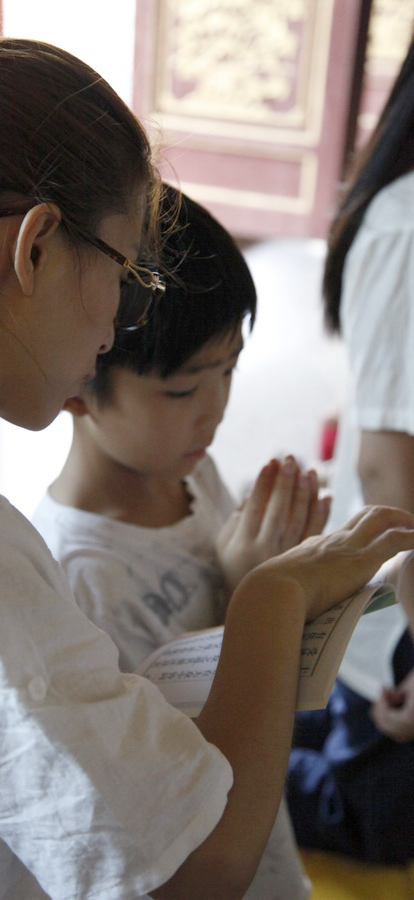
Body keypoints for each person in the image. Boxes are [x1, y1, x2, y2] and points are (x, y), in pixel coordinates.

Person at [0, 3, 413, 899]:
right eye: (126, 278)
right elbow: (192, 870)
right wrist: (272, 594)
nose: (112, 332)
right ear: (38, 248)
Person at [31, 186, 334, 898]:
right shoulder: (77, 578)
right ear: (79, 379)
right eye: (182, 391)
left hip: (267, 850)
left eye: (228, 371)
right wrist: (254, 595)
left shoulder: (193, 478)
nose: (216, 413)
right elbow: (170, 777)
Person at [286, 33, 414, 865]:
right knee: (378, 823)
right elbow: (385, 465)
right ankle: (227, 748)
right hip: (397, 612)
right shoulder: (406, 224)